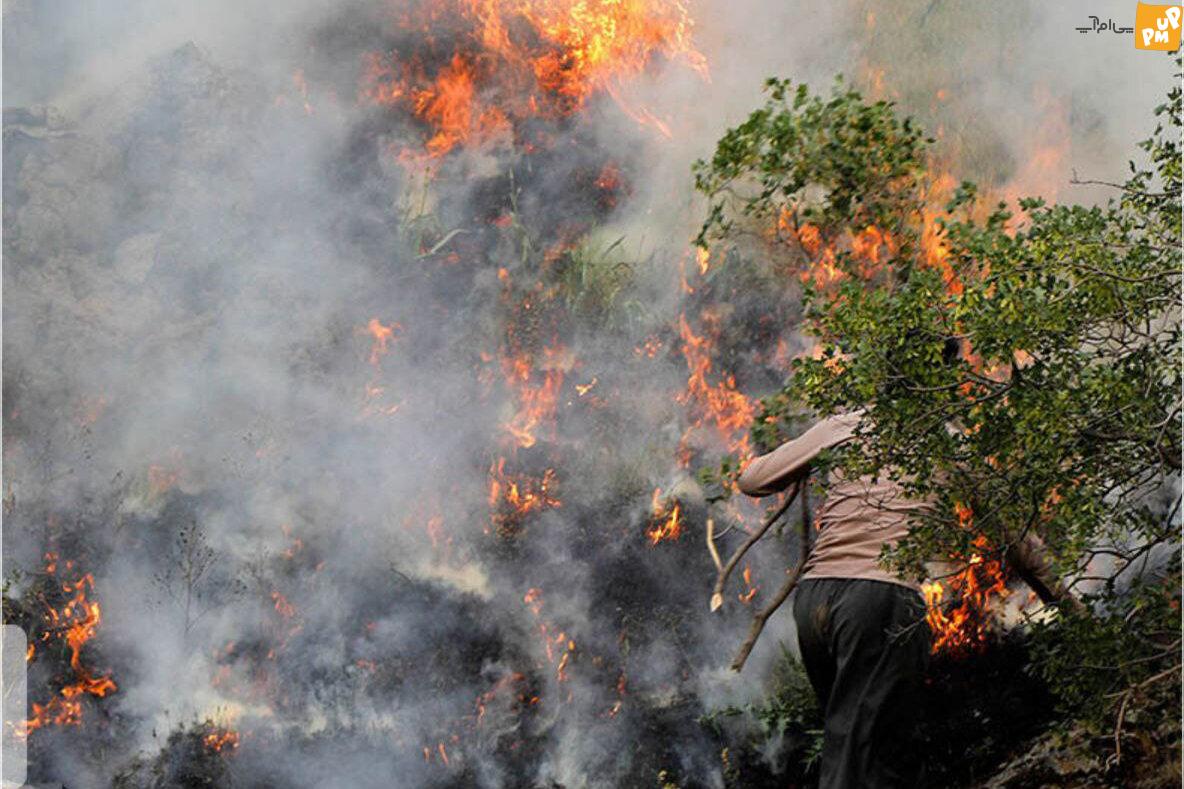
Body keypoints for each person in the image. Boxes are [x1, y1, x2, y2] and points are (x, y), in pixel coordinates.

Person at [737, 410, 931, 789]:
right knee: (863, 756)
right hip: (880, 598)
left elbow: (751, 479)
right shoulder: (949, 439)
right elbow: (1013, 539)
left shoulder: (845, 424)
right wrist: (1059, 599)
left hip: (815, 600)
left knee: (859, 741)